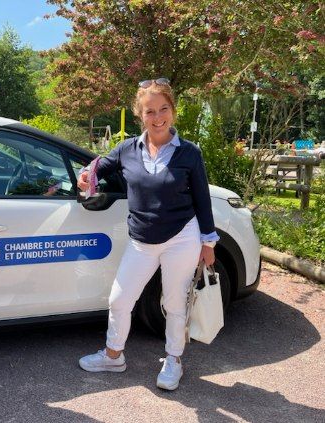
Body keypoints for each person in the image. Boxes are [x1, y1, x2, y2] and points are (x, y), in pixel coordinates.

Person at [77, 78, 219, 391]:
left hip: (181, 237)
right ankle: (113, 355)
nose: (157, 117)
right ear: (140, 115)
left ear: (173, 110)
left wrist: (208, 242)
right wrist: (87, 175)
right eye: (150, 111)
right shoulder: (127, 149)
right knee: (119, 299)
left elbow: (202, 199)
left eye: (163, 109)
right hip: (141, 241)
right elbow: (99, 166)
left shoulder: (189, 153)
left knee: (174, 302)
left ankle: (174, 359)